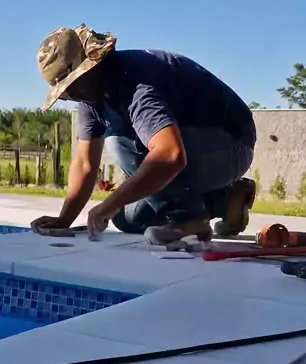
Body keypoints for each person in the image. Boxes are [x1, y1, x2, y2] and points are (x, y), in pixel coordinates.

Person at [31, 24, 256, 244]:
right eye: (66, 93)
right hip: (199, 152)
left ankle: (190, 220)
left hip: (232, 144)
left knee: (119, 143)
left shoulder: (136, 82)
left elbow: (169, 155)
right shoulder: (90, 97)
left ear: (91, 66)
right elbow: (84, 164)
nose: (73, 95)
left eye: (73, 86)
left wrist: (109, 204)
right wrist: (64, 220)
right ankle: (226, 200)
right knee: (126, 217)